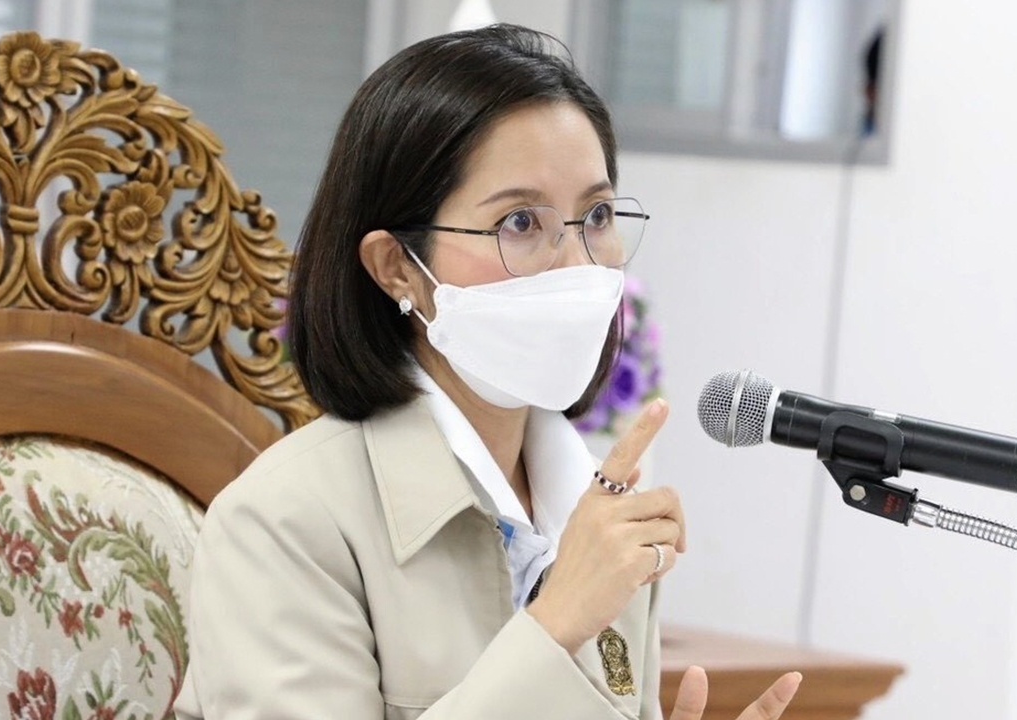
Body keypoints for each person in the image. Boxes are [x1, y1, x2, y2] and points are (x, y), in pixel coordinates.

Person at [174, 24, 801, 720]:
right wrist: (555, 622)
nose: (578, 264)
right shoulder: (284, 523)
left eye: (596, 215)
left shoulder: (604, 513)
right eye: (521, 223)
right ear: (396, 267)